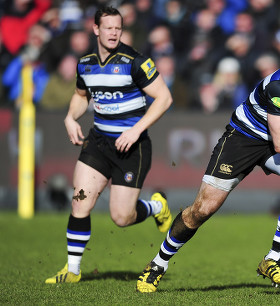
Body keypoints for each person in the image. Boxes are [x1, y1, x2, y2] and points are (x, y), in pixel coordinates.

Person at [136, 33, 280, 293]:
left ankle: (273, 259)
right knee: (203, 209)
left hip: (278, 138)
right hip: (244, 138)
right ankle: (158, 264)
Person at [45, 6, 173, 284]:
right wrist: (70, 117)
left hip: (132, 147)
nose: (114, 33)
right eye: (109, 28)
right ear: (96, 30)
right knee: (79, 202)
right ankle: (73, 270)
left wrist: (135, 130)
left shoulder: (135, 61)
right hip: (99, 142)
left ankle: (156, 206)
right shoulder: (86, 63)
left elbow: (164, 98)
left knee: (121, 217)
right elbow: (81, 96)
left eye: (118, 28)